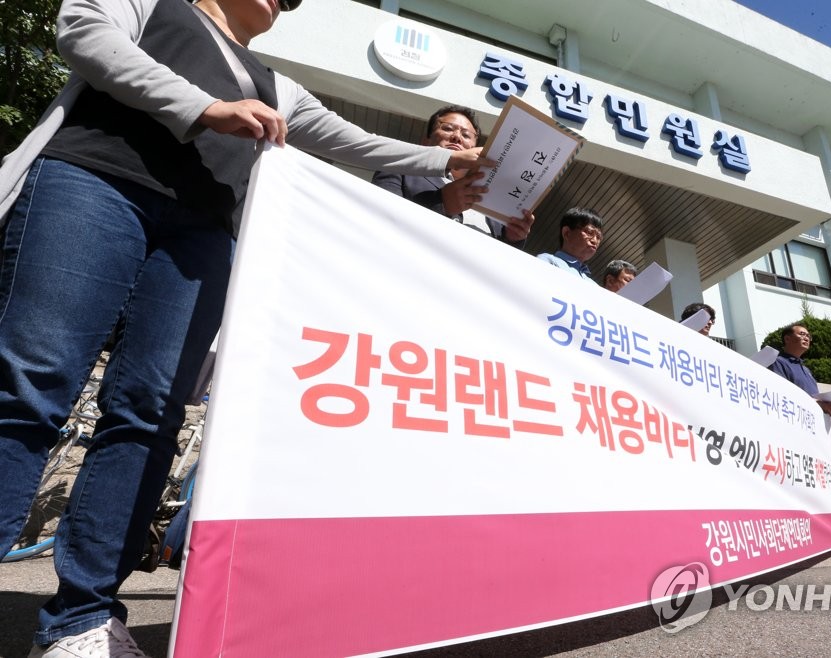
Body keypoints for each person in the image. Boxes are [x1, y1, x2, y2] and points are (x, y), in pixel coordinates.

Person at [0, 0, 495, 655]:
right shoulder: (157, 5)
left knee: (150, 413)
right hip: (92, 184)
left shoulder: (278, 86)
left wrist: (449, 163)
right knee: (33, 383)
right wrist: (204, 108)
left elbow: (354, 141)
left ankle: (81, 618)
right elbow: (83, 31)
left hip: (202, 237)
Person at [371, 105, 533, 246]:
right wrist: (442, 204)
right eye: (448, 128)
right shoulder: (399, 170)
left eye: (466, 135)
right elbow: (380, 217)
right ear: (425, 142)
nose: (457, 137)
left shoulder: (489, 195)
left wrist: (513, 238)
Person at [767, 323, 831, 417]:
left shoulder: (806, 370)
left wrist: (827, 404)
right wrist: (817, 404)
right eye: (802, 334)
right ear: (787, 339)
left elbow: (814, 397)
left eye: (808, 336)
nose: (806, 338)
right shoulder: (777, 362)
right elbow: (782, 394)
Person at [537, 207, 603, 280]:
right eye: (589, 232)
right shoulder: (547, 261)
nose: (595, 240)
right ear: (567, 233)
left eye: (598, 237)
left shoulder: (592, 284)